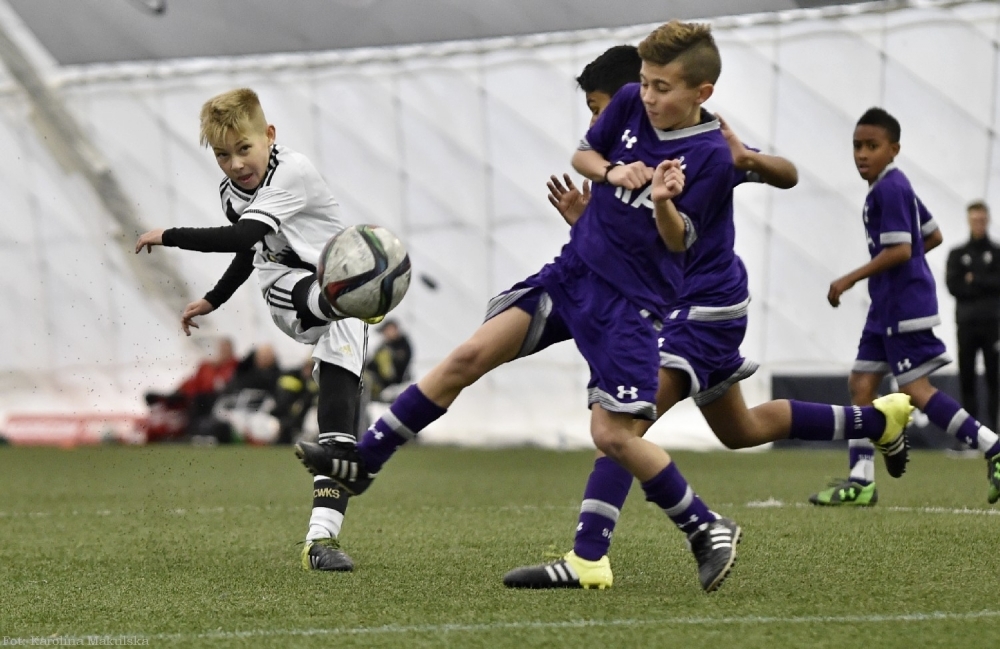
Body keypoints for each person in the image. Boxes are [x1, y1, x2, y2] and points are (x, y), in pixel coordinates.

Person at [295, 23, 910, 594]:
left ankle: (601, 554)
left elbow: (702, 219)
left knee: (619, 431)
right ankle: (365, 460)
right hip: (581, 275)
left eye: (651, 89)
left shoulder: (707, 150)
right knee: (481, 355)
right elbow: (596, 166)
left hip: (689, 305)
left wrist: (725, 167)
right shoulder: (631, 111)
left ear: (691, 90)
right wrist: (607, 191)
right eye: (637, 88)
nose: (636, 102)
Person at [500, 44, 913, 590]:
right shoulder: (626, 151)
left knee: (623, 425)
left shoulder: (703, 145)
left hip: (703, 307)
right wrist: (584, 222)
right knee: (741, 429)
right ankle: (878, 422)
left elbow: (786, 174)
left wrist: (749, 160)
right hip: (675, 307)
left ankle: (588, 557)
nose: (598, 121)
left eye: (600, 107)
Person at [135, 88, 371, 572]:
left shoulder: (294, 171)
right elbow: (251, 248)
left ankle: (319, 542)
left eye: (244, 149)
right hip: (289, 290)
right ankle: (351, 297)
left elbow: (244, 236)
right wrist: (215, 299)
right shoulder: (232, 194)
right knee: (325, 292)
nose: (236, 163)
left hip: (342, 310)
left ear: (269, 136)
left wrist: (169, 235)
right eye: (223, 154)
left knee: (338, 443)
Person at [808, 108, 1000, 507]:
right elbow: (932, 235)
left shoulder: (889, 189)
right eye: (857, 146)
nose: (862, 154)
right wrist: (902, 265)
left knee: (916, 389)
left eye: (872, 146)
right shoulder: (893, 186)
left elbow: (902, 247)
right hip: (886, 307)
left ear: (893, 149)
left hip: (902, 308)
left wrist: (851, 278)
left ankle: (993, 447)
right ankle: (861, 482)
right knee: (861, 384)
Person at [946, 201, 1000, 432]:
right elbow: (954, 285)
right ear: (969, 221)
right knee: (966, 377)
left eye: (981, 219)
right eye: (974, 219)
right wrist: (983, 283)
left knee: (994, 378)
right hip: (966, 324)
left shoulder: (997, 253)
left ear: (987, 220)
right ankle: (970, 435)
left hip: (993, 324)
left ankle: (995, 433)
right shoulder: (958, 254)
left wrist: (975, 279)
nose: (978, 223)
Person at [142, 336, 238, 442]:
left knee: (198, 402)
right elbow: (191, 382)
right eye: (222, 348)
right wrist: (177, 392)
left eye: (226, 348)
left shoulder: (235, 366)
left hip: (213, 400)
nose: (223, 351)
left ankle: (189, 433)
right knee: (175, 401)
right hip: (194, 398)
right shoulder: (206, 366)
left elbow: (223, 386)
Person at [363, 319, 413, 403]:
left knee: (363, 379)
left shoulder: (401, 346)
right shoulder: (386, 345)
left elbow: (389, 373)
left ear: (392, 329)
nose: (384, 335)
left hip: (383, 385)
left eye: (385, 331)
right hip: (376, 381)